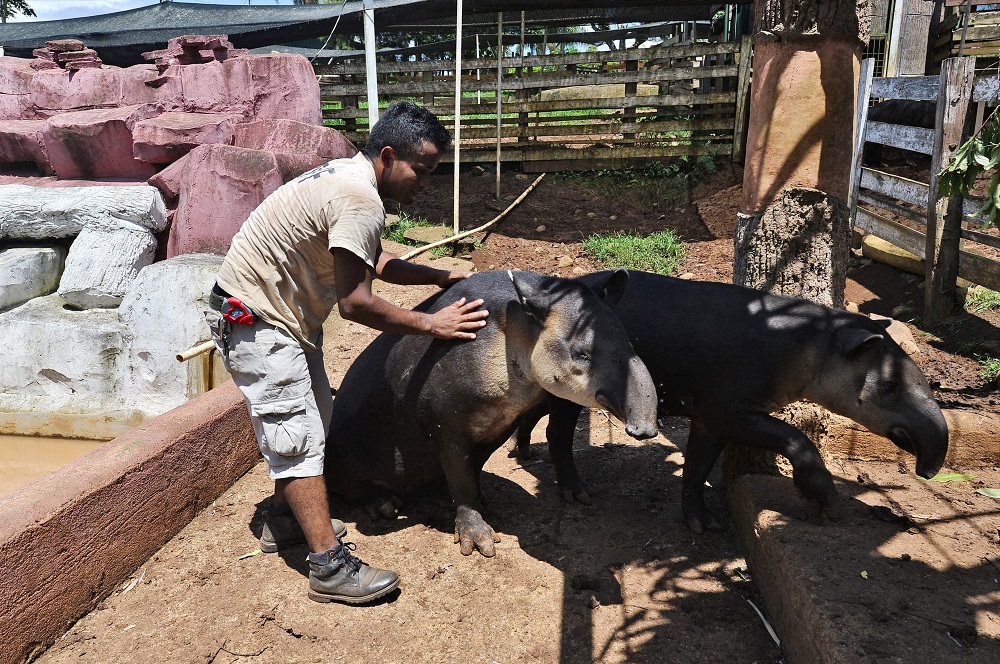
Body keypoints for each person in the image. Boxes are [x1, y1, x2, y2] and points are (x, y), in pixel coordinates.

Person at [205, 102, 488, 605]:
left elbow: (375, 261)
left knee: (315, 419)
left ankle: (284, 521)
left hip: (280, 319)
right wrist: (432, 323)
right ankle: (329, 568)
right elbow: (355, 304)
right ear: (387, 155)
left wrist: (443, 277)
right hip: (258, 323)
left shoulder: (351, 180)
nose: (426, 183)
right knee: (294, 437)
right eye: (420, 171)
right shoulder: (360, 199)